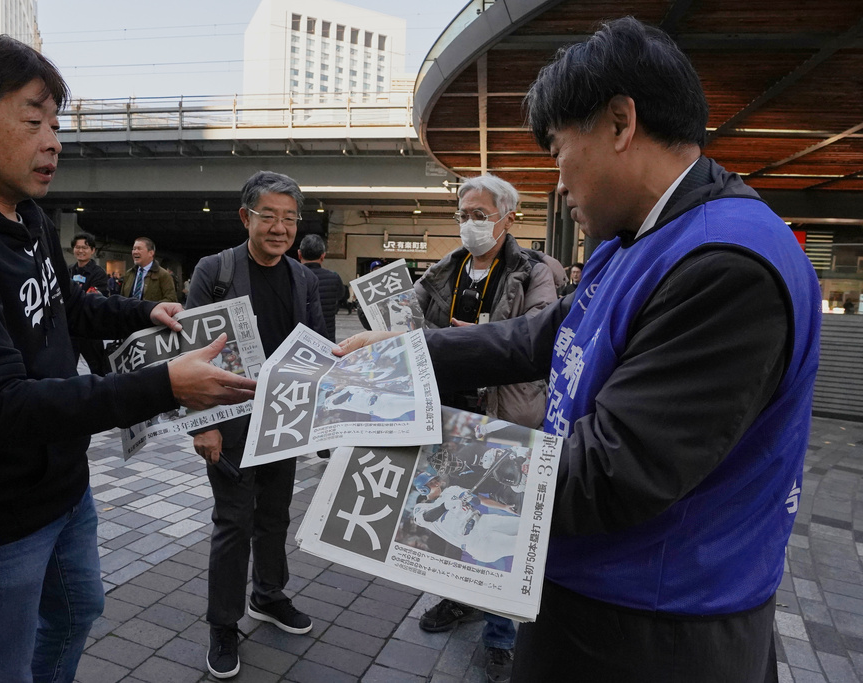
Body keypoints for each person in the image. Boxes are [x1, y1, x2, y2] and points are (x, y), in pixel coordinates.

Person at [339, 17, 821, 683]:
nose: (559, 182)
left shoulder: (726, 262)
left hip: (656, 634)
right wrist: (406, 351)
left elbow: (614, 471)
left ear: (620, 123)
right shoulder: (640, 240)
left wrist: (395, 454)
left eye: (559, 150)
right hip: (593, 589)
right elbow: (540, 337)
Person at [0, 28, 255, 683]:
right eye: (34, 119)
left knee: (78, 611)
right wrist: (166, 384)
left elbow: (65, 311)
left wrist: (142, 312)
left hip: (64, 488)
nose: (55, 140)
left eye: (56, 121)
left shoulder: (25, 217)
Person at [412, 173, 559, 682]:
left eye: (480, 214)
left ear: (507, 217)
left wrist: (483, 339)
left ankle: (501, 634)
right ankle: (457, 598)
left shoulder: (535, 270)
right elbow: (412, 319)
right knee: (452, 513)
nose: (470, 224)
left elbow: (543, 331)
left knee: (502, 525)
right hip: (452, 412)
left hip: (506, 417)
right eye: (463, 215)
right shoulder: (442, 271)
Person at [186, 170, 326, 680]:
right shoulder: (215, 270)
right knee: (233, 523)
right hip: (231, 419)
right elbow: (191, 350)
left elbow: (318, 351)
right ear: (246, 217)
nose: (280, 228)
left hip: (284, 417)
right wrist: (203, 425)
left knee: (275, 516)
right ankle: (224, 624)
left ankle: (269, 595)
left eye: (290, 218)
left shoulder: (303, 278)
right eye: (269, 216)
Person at [68, 232, 111, 375]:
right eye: (77, 247)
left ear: (92, 250)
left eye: (85, 248)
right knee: (67, 366)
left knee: (98, 368)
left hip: (90, 328)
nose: (80, 251)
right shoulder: (68, 270)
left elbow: (93, 298)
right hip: (71, 328)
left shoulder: (98, 273)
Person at [298, 233, 343, 342]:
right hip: (327, 339)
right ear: (323, 256)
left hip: (299, 339)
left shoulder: (291, 277)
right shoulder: (334, 278)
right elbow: (341, 296)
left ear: (299, 254)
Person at [122, 236, 177, 302]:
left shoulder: (163, 275)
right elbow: (122, 298)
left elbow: (171, 299)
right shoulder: (129, 274)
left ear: (151, 253)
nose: (135, 252)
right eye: (134, 249)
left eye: (139, 249)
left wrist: (150, 308)